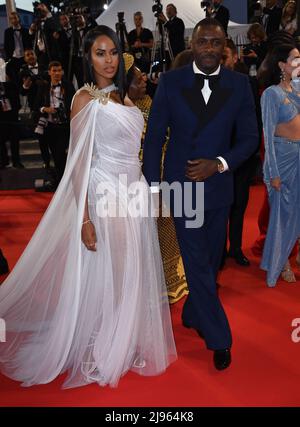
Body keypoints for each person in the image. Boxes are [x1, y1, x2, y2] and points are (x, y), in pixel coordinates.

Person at [0, 25, 176, 388]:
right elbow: (77, 163)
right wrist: (84, 218)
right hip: (104, 193)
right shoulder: (85, 99)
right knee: (113, 271)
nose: (109, 60)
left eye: (113, 52)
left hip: (133, 193)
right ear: (87, 56)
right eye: (100, 53)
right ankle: (105, 343)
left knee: (132, 269)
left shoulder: (121, 96)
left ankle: (122, 339)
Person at [143, 18, 258, 370]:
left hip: (219, 188)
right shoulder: (171, 82)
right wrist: (151, 187)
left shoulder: (239, 85)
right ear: (192, 45)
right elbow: (155, 137)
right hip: (182, 188)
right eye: (203, 41)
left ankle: (193, 311)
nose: (209, 47)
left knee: (210, 260)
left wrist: (220, 163)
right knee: (196, 262)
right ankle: (220, 337)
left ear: (225, 46)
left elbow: (250, 139)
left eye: (216, 42)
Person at [260, 44, 300, 286]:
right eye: (295, 59)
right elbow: (267, 133)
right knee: (281, 216)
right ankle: (279, 263)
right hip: (282, 161)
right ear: (281, 65)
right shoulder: (271, 94)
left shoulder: (296, 90)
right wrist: (273, 172)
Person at [33, 61, 75, 185]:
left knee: (60, 154)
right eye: (54, 71)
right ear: (49, 72)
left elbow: (74, 104)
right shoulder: (44, 87)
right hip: (49, 126)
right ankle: (61, 181)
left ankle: (62, 181)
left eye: (59, 71)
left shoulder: (68, 86)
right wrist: (45, 109)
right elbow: (36, 106)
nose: (57, 73)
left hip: (64, 126)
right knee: (57, 155)